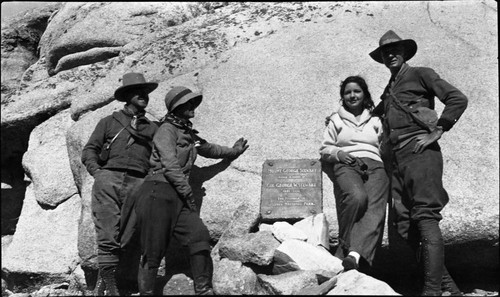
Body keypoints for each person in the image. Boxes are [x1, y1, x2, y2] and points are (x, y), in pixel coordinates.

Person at [369, 30, 468, 296]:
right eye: (385, 53)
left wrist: (438, 130)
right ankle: (450, 288)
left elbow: (457, 98)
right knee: (403, 225)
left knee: (425, 217)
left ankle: (432, 290)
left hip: (420, 153)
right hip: (397, 159)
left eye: (395, 50)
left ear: (404, 52)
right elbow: (372, 115)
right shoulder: (389, 89)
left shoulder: (422, 73)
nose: (390, 55)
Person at [132, 86, 249, 295]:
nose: (193, 106)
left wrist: (234, 151)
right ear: (177, 107)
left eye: (194, 102)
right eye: (188, 103)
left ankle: (203, 290)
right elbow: (169, 163)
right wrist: (186, 190)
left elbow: (210, 149)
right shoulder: (166, 130)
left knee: (198, 236)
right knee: (153, 249)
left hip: (177, 195)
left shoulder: (186, 131)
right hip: (157, 193)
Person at [81, 72, 159, 296]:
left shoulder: (153, 128)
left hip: (138, 183)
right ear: (127, 96)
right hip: (109, 179)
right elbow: (89, 150)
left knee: (125, 235)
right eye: (138, 92)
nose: (144, 95)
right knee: (107, 230)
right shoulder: (109, 121)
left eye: (146, 92)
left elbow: (160, 157)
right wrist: (98, 173)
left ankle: (102, 284)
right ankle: (111, 285)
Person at [320, 76, 389, 273]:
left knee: (375, 208)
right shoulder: (335, 120)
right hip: (347, 163)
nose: (352, 95)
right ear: (343, 97)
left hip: (375, 165)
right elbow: (325, 148)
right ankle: (344, 246)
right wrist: (338, 154)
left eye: (357, 91)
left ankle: (354, 255)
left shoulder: (376, 120)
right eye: (348, 92)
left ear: (365, 94)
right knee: (357, 197)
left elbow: (385, 145)